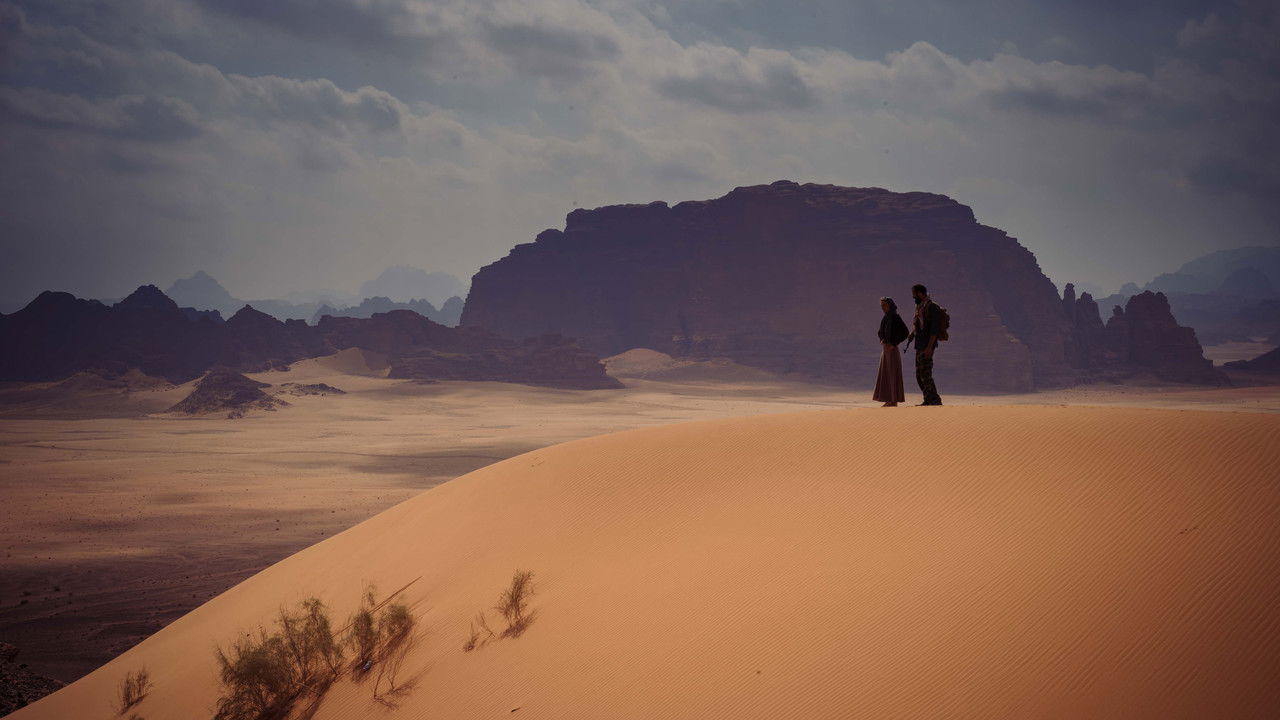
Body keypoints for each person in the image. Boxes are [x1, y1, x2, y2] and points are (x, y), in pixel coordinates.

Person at [906, 283, 943, 406]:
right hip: (919, 345)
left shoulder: (931, 307)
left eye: (914, 294)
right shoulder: (920, 307)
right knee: (919, 375)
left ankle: (934, 400)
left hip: (927, 346)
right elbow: (918, 326)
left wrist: (929, 347)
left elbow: (934, 330)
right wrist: (912, 335)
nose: (913, 297)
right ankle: (928, 399)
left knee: (926, 374)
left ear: (920, 293)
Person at [872, 296, 909, 406]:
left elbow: (905, 332)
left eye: (884, 305)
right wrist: (882, 340)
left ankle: (893, 400)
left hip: (892, 351)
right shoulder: (886, 318)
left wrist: (894, 343)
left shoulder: (895, 317)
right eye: (881, 306)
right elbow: (880, 332)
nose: (882, 308)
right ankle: (888, 399)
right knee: (886, 375)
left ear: (890, 305)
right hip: (885, 350)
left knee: (892, 374)